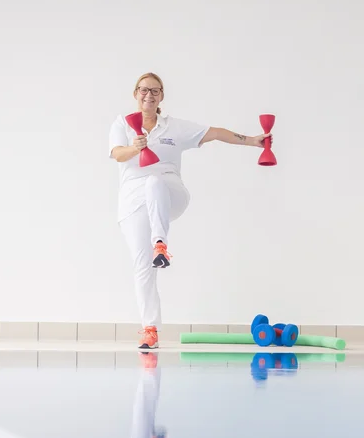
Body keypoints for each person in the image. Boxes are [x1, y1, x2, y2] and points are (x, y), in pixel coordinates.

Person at [109, 72, 272, 349]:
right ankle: (150, 329)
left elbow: (216, 133)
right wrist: (134, 148)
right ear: (135, 93)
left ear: (161, 96)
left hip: (170, 194)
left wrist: (252, 140)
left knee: (154, 181)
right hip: (133, 203)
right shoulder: (121, 125)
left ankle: (160, 244)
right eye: (144, 90)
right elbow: (116, 154)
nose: (149, 95)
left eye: (155, 91)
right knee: (142, 267)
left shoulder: (173, 127)